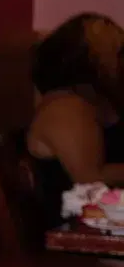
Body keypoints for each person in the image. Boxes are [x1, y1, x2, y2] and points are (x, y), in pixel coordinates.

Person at [27, 12, 124, 225]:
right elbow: (90, 178)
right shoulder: (65, 107)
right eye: (117, 53)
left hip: (109, 220)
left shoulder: (101, 102)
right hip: (77, 229)